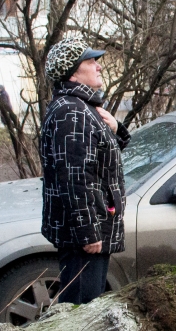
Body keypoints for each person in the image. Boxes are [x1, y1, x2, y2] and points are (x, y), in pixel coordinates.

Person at [40, 35, 129, 304]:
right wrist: (88, 232)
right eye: (91, 61)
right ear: (73, 72)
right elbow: (74, 179)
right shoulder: (72, 113)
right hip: (84, 238)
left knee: (86, 307)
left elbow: (102, 161)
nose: (98, 66)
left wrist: (116, 129)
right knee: (80, 314)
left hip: (91, 230)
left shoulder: (83, 108)